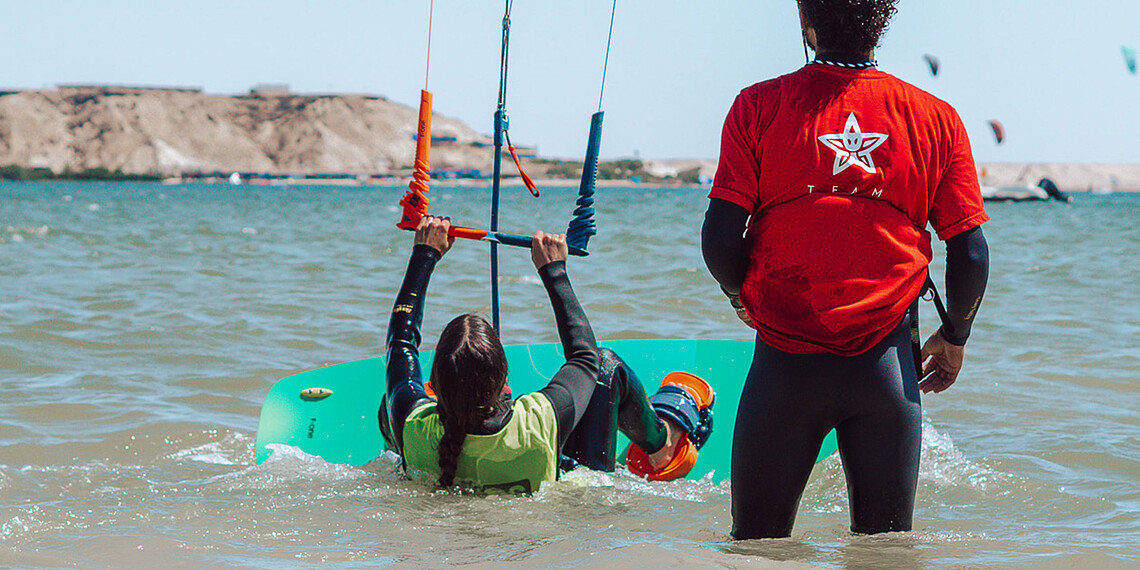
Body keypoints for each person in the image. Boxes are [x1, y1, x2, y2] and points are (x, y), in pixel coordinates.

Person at [702, 0, 990, 538]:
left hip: (784, 367)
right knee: (884, 553)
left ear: (807, 23)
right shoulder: (935, 117)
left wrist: (739, 295)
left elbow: (720, 238)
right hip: (887, 371)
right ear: (882, 23)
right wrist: (955, 336)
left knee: (757, 548)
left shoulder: (756, 106)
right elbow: (970, 253)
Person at [379, 216, 715, 493]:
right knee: (607, 366)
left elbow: (400, 345)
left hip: (441, 462)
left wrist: (424, 255)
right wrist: (554, 270)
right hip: (579, 494)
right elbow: (587, 359)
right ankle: (662, 445)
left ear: (435, 383)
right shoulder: (538, 421)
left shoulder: (414, 428)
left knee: (392, 400)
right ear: (504, 380)